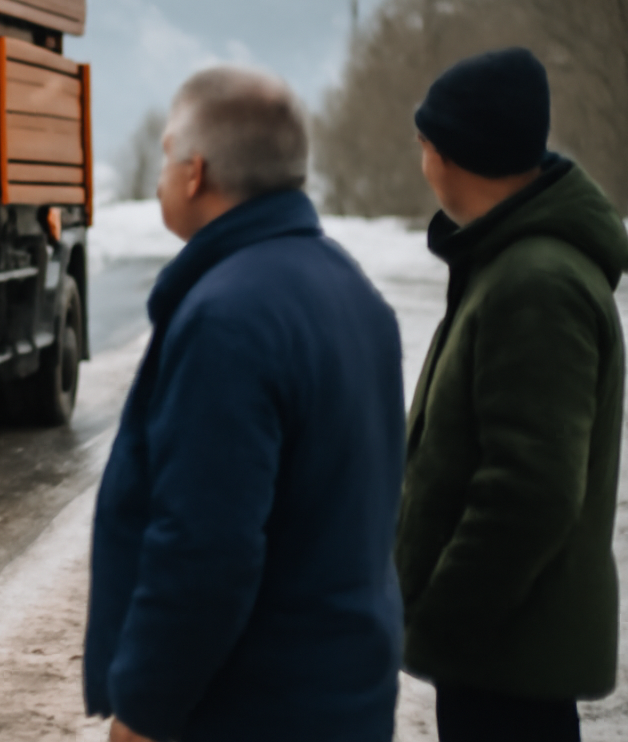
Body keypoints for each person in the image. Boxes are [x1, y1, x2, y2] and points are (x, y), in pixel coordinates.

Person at [85, 66, 406, 742]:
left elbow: (205, 547)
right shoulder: (351, 292)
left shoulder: (228, 317)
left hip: (252, 707)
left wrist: (145, 709)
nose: (161, 176)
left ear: (195, 173)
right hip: (344, 694)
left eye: (167, 157)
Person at [398, 47, 628, 742]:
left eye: (425, 140)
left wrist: (445, 620)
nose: (421, 155)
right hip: (502, 657)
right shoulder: (510, 261)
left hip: (506, 659)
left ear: (454, 154)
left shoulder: (536, 280)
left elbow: (529, 491)